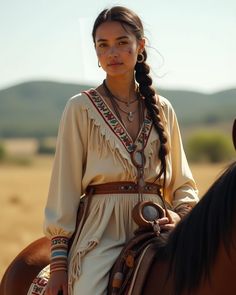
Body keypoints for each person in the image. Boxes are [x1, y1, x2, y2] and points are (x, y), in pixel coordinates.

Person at [44, 6, 199, 295]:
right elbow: (63, 186)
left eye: (122, 42)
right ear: (96, 53)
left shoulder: (162, 108)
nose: (112, 52)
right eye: (103, 45)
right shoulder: (80, 108)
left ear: (140, 46)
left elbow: (182, 182)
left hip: (160, 225)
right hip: (101, 231)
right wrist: (59, 264)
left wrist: (180, 216)